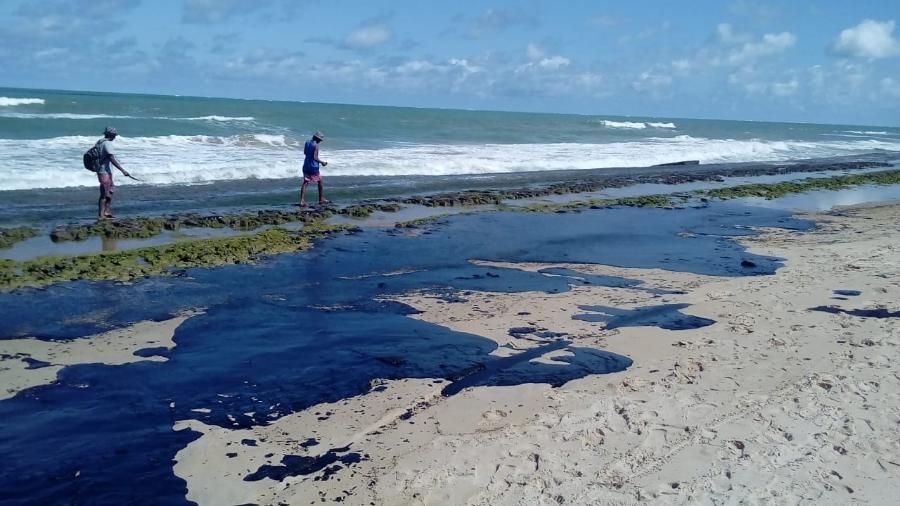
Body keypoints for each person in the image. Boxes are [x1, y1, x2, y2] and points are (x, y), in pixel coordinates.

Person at [95, 127, 131, 220]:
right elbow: (111, 158)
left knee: (110, 192)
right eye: (114, 135)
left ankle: (106, 212)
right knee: (104, 194)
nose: (115, 137)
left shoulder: (100, 142)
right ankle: (101, 215)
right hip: (104, 171)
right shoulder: (107, 144)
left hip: (105, 170)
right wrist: (123, 170)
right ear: (112, 135)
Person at [299, 131, 328, 207]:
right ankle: (321, 198)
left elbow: (305, 153)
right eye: (320, 140)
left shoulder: (307, 143)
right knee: (320, 181)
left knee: (305, 183)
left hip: (306, 165)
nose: (320, 142)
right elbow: (315, 157)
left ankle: (302, 200)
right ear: (318, 139)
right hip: (313, 167)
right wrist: (322, 162)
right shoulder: (316, 145)